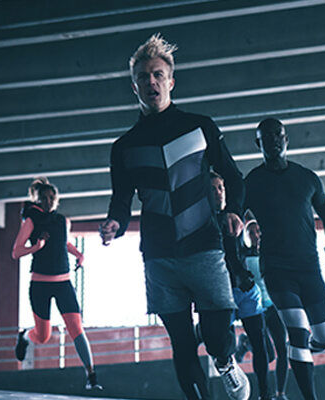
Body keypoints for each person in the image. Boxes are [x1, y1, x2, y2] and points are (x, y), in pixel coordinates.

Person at [99, 34, 249, 400]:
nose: (151, 81)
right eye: (143, 76)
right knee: (182, 343)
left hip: (204, 246)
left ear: (171, 82)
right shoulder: (124, 147)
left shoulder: (200, 127)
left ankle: (225, 361)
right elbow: (121, 200)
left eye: (158, 75)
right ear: (134, 86)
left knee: (216, 337)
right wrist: (115, 223)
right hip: (159, 255)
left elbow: (234, 176)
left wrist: (232, 210)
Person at [244, 117, 325, 400]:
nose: (273, 140)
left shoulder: (307, 178)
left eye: (278, 134)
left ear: (286, 139)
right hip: (276, 269)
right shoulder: (252, 182)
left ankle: (299, 350)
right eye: (266, 136)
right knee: (297, 334)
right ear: (258, 143)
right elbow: (233, 219)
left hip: (309, 268)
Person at [11, 177, 102, 391]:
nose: (49, 201)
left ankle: (91, 376)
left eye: (52, 197)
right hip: (40, 285)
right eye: (44, 197)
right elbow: (16, 252)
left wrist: (79, 254)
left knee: (77, 329)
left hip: (64, 284)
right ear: (37, 200)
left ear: (57, 200)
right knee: (43, 337)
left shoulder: (63, 221)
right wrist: (37, 246)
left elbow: (63, 242)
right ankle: (25, 335)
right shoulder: (31, 221)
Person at [210, 172, 271, 400]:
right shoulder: (202, 219)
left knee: (260, 343)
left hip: (244, 291)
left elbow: (238, 250)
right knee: (222, 345)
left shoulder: (234, 215)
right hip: (219, 292)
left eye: (221, 187)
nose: (218, 192)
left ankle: (265, 394)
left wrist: (242, 272)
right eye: (213, 188)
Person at [239, 219, 290, 400]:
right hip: (256, 309)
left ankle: (281, 393)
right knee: (267, 357)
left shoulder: (273, 252)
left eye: (258, 231)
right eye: (251, 233)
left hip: (273, 306)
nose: (256, 236)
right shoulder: (243, 256)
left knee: (283, 349)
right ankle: (246, 342)